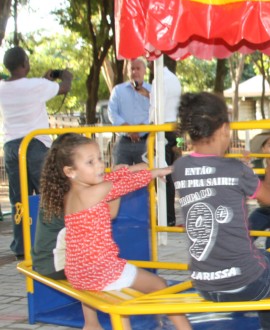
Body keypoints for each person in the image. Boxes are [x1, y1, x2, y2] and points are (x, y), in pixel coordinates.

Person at [172, 92, 270, 330]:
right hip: (246, 283)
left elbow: (211, 177)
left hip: (204, 285)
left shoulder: (180, 167)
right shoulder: (235, 169)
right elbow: (269, 199)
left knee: (267, 258)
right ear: (224, 130)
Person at [39, 133, 191, 330]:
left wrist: (132, 168)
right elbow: (124, 184)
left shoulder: (72, 194)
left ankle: (91, 324)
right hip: (102, 272)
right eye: (91, 162)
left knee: (117, 300)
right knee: (160, 286)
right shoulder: (94, 192)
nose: (100, 165)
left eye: (100, 158)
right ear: (70, 171)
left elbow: (112, 186)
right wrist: (159, 171)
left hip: (78, 272)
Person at [0, 46, 72, 260]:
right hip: (36, 145)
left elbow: (27, 91)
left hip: (12, 147)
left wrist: (44, 80)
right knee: (48, 195)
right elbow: (64, 87)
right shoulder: (36, 86)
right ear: (25, 64)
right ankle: (51, 243)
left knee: (18, 199)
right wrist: (66, 75)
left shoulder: (3, 87)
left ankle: (21, 246)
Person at [149, 64, 182, 226]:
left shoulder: (160, 80)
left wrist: (150, 125)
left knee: (162, 174)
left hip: (162, 130)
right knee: (167, 174)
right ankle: (168, 217)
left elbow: (156, 107)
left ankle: (166, 218)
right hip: (171, 128)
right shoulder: (173, 79)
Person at [108, 58, 151, 165]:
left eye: (138, 68)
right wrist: (129, 130)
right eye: (132, 69)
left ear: (144, 71)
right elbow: (112, 113)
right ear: (127, 72)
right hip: (123, 141)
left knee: (144, 178)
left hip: (145, 141)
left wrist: (140, 128)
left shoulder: (152, 90)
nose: (134, 72)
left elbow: (156, 112)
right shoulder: (118, 90)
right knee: (121, 177)